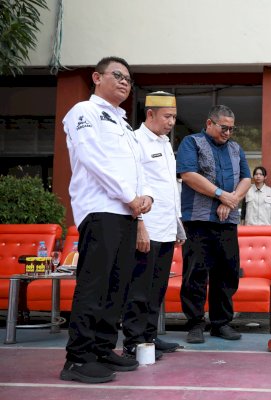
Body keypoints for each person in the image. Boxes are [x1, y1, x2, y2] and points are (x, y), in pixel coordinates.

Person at [61, 56, 153, 384]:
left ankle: (101, 348)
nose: (125, 82)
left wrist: (145, 198)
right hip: (101, 210)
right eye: (118, 75)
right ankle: (78, 357)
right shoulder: (84, 112)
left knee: (118, 286)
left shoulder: (124, 124)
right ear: (97, 77)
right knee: (94, 285)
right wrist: (128, 196)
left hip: (127, 213)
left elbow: (138, 168)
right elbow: (93, 159)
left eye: (129, 78)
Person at [176, 105, 251, 343]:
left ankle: (221, 323)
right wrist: (221, 194)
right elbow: (188, 175)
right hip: (198, 219)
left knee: (227, 272)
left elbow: (246, 178)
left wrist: (230, 202)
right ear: (210, 123)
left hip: (226, 220)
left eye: (231, 128)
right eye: (224, 127)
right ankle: (195, 323)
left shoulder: (236, 149)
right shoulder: (192, 142)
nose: (228, 132)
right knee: (195, 272)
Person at [121, 91, 186, 360]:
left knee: (157, 287)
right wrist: (139, 225)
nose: (171, 122)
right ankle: (133, 341)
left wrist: (178, 223)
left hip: (167, 228)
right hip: (147, 228)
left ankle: (149, 336)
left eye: (173, 117)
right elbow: (134, 186)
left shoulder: (164, 143)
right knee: (139, 288)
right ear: (150, 114)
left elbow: (169, 188)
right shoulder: (136, 141)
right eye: (167, 116)